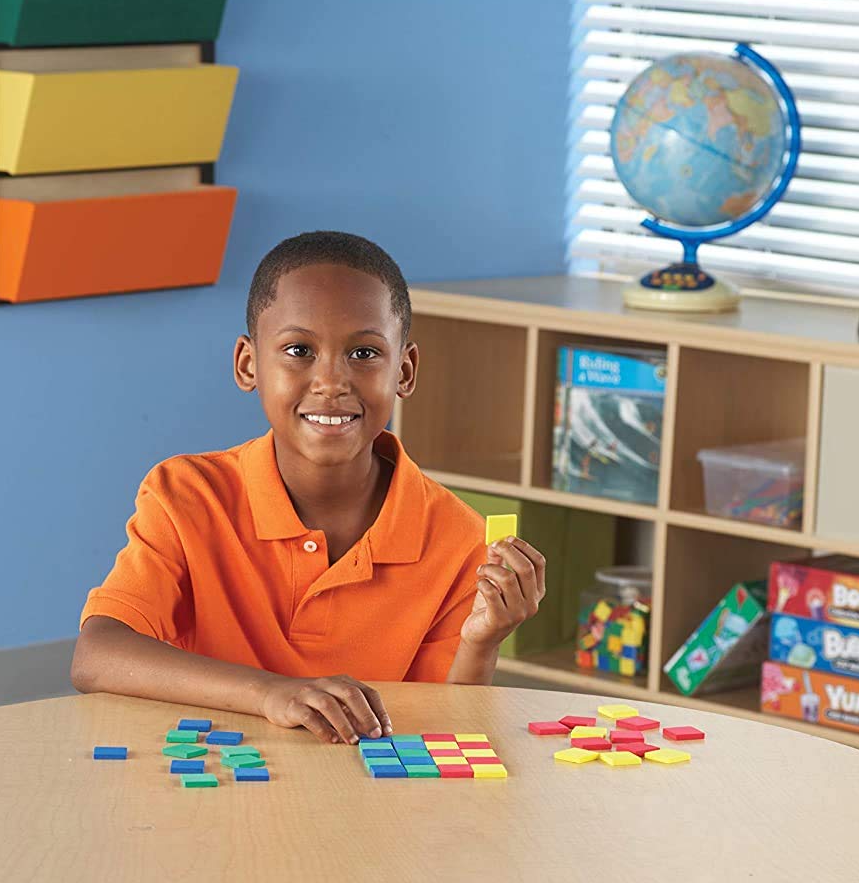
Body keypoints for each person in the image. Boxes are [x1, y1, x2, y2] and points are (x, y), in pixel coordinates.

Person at [71, 231, 546, 743]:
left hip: (368, 800)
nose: (332, 381)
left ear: (404, 371)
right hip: (212, 781)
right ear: (247, 363)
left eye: (364, 353)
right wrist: (272, 693)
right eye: (299, 350)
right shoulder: (185, 495)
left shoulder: (457, 538)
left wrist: (482, 643)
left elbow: (446, 730)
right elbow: (97, 654)